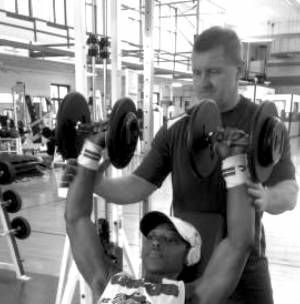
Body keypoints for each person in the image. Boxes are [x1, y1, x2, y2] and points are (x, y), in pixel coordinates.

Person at [88, 26, 298, 303]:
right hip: (187, 262)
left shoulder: (262, 124)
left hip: (245, 264)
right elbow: (138, 185)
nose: (202, 82)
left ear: (239, 68)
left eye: (213, 71)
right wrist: (94, 183)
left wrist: (269, 197)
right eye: (196, 72)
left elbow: (290, 192)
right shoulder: (176, 128)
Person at [65, 127, 255, 304]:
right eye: (152, 237)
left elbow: (239, 244)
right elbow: (76, 219)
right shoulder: (111, 283)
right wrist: (92, 147)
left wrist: (234, 159)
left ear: (189, 256)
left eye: (170, 240)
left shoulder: (191, 296)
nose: (156, 242)